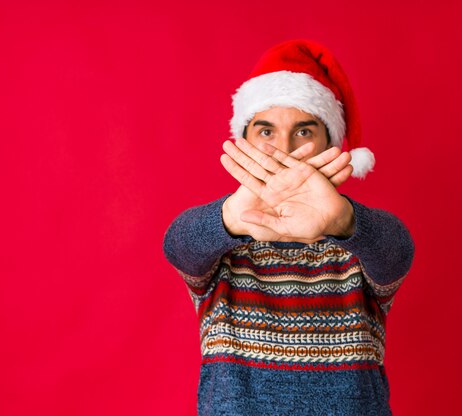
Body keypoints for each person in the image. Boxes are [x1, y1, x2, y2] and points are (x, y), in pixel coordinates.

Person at [163, 39, 415, 416]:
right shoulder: (222, 247)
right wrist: (233, 215)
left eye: (303, 132)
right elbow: (179, 245)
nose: (282, 148)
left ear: (329, 142)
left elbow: (397, 252)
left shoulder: (356, 241)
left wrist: (343, 220)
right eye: (265, 132)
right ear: (243, 140)